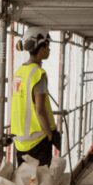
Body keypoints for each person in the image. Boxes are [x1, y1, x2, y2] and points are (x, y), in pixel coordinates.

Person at [10, 27, 60, 167]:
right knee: (40, 179)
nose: (49, 49)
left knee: (24, 179)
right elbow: (40, 110)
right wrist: (50, 134)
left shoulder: (19, 72)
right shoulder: (38, 74)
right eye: (47, 46)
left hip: (20, 142)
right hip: (38, 142)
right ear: (40, 47)